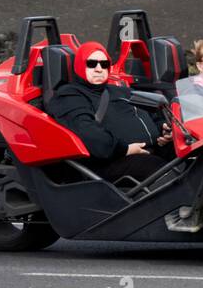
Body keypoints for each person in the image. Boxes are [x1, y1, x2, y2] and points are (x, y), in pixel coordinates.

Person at [46, 41, 173, 184]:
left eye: (104, 64)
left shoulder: (121, 91)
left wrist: (163, 129)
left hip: (152, 149)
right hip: (111, 161)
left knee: (191, 155)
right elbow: (87, 132)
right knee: (161, 170)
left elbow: (151, 113)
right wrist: (125, 149)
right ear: (80, 65)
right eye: (92, 63)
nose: (99, 69)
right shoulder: (69, 96)